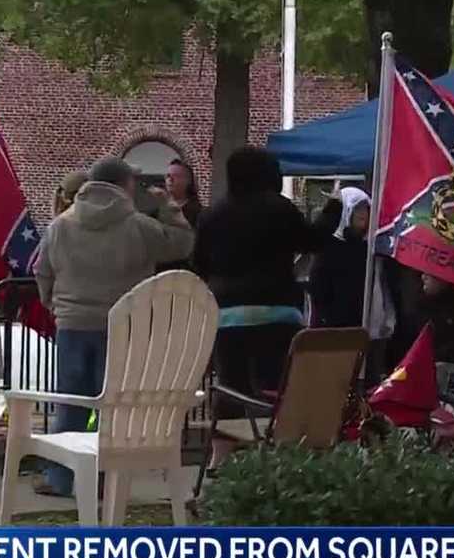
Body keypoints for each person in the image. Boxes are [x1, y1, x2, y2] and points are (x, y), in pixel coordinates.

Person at [33, 157, 194, 496]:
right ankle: (106, 478)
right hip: (124, 327)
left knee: (71, 403)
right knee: (114, 406)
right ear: (124, 186)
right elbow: (181, 244)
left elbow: (42, 269)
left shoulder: (61, 225)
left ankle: (61, 479)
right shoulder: (138, 226)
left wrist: (53, 304)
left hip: (73, 325)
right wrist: (169, 208)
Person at [194, 146, 329, 470]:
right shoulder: (279, 209)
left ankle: (220, 457)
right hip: (277, 312)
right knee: (275, 387)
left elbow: (198, 262)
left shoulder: (213, 215)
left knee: (230, 384)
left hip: (229, 315)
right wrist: (331, 212)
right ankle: (278, 452)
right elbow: (311, 240)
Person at [307, 186, 396, 386]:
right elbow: (319, 288)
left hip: (369, 328)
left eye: (366, 208)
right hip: (336, 328)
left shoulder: (374, 247)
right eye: (357, 208)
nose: (363, 214)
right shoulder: (329, 247)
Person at [155, 159, 203, 273]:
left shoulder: (197, 212)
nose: (170, 180)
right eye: (168, 176)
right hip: (158, 269)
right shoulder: (157, 208)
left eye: (176, 176)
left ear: (188, 181)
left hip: (185, 269)